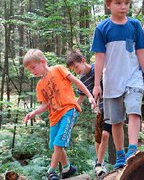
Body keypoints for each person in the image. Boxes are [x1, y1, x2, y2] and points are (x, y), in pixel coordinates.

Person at [91, 0, 144, 169]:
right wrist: (97, 84)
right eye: (118, 3)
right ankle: (120, 154)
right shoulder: (102, 28)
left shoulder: (135, 25)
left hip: (133, 78)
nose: (123, 7)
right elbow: (99, 57)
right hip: (112, 80)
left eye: (127, 2)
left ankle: (132, 149)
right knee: (116, 121)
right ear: (108, 5)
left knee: (134, 112)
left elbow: (141, 52)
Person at [23, 49, 96, 180]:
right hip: (54, 117)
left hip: (69, 110)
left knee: (58, 143)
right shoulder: (40, 85)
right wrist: (33, 112)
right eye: (29, 70)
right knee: (54, 144)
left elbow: (77, 81)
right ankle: (67, 168)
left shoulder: (58, 69)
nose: (32, 71)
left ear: (43, 62)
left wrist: (89, 95)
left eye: (33, 67)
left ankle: (51, 171)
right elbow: (45, 105)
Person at [66, 49, 112, 177]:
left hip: (110, 106)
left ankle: (104, 161)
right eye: (73, 70)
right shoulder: (81, 79)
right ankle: (99, 165)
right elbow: (80, 98)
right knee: (98, 139)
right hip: (99, 111)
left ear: (83, 61)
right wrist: (72, 109)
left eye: (76, 67)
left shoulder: (97, 68)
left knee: (105, 136)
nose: (76, 71)